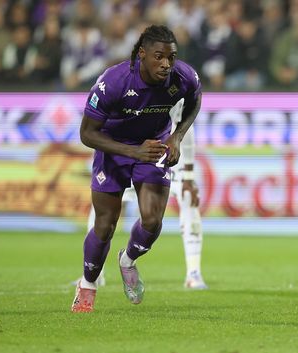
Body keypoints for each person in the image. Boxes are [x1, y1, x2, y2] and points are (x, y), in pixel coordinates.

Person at [71, 25, 202, 313]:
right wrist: (133, 151)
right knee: (104, 225)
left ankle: (127, 261)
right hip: (114, 149)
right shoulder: (114, 82)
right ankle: (87, 284)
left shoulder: (183, 78)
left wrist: (176, 137)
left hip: (154, 147)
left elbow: (195, 101)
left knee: (153, 221)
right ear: (142, 54)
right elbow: (87, 134)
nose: (166, 64)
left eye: (171, 57)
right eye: (159, 57)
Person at [77, 99, 207, 290]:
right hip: (130, 154)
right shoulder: (124, 86)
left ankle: (193, 273)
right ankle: (95, 274)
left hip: (164, 156)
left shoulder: (176, 88)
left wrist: (188, 174)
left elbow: (186, 130)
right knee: (103, 212)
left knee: (185, 202)